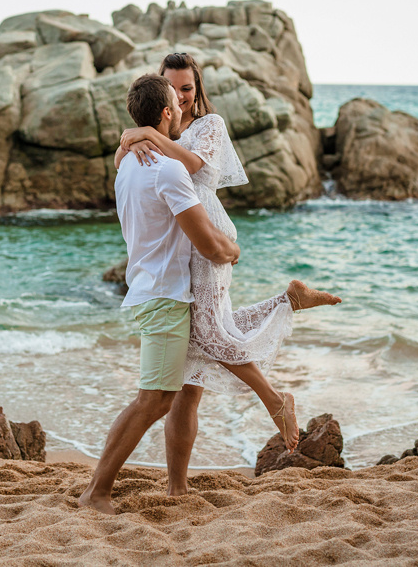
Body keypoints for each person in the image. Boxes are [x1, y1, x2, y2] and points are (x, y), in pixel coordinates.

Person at [116, 52, 342, 496]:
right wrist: (131, 139)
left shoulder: (208, 126)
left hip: (207, 232)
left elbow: (193, 167)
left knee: (208, 331)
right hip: (181, 246)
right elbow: (126, 174)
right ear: (162, 95)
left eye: (188, 88)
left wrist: (142, 133)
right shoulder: (156, 135)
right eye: (172, 88)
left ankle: (275, 400)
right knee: (187, 382)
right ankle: (178, 487)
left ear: (197, 92)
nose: (181, 96)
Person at [78, 74, 240, 515]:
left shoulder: (128, 162)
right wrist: (233, 249)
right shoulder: (166, 168)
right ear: (167, 112)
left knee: (159, 396)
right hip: (166, 296)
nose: (183, 109)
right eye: (176, 102)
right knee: (153, 399)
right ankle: (96, 492)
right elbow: (208, 243)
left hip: (148, 289)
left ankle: (108, 488)